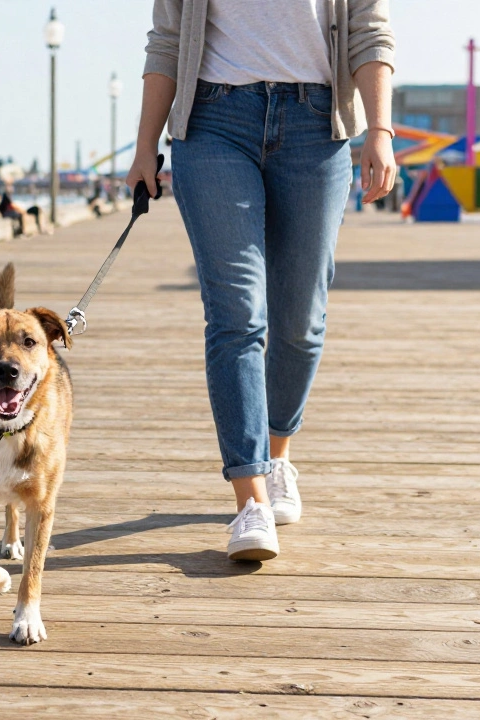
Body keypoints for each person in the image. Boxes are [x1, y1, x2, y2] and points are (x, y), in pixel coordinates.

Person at [127, 0, 396, 561]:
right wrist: (144, 145)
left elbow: (370, 34)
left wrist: (380, 129)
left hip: (316, 125)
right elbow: (168, 41)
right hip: (213, 123)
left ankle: (277, 457)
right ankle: (250, 501)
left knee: (301, 321)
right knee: (237, 316)